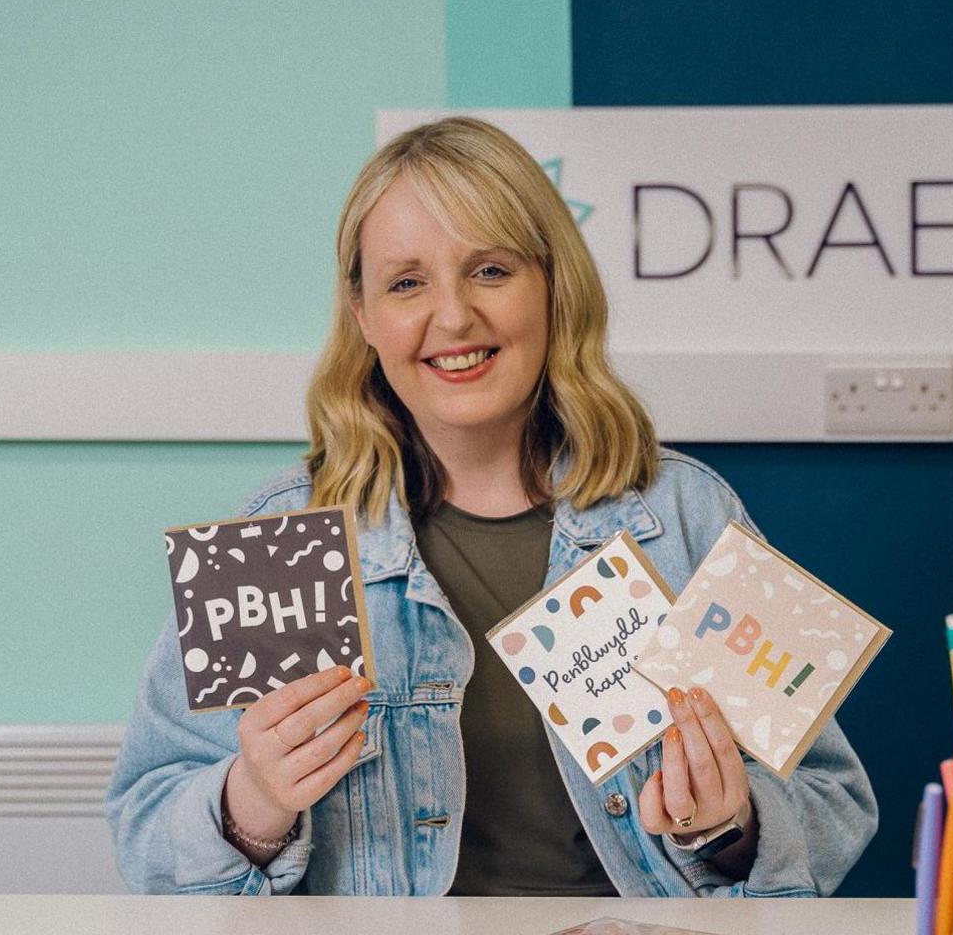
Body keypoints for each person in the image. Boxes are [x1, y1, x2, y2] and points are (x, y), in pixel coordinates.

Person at [105, 116, 877, 897]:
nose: (454, 318)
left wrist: (732, 824)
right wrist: (255, 801)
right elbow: (146, 828)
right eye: (407, 283)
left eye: (490, 270)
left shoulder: (683, 514)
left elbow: (833, 806)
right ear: (363, 316)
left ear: (553, 285)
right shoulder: (284, 539)